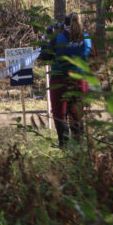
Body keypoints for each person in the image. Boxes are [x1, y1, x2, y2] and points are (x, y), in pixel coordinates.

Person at [40, 13, 93, 147]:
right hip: (80, 80)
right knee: (77, 115)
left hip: (59, 80)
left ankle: (64, 147)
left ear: (65, 25)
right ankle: (79, 147)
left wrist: (46, 37)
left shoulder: (58, 39)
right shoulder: (86, 39)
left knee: (60, 115)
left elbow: (45, 56)